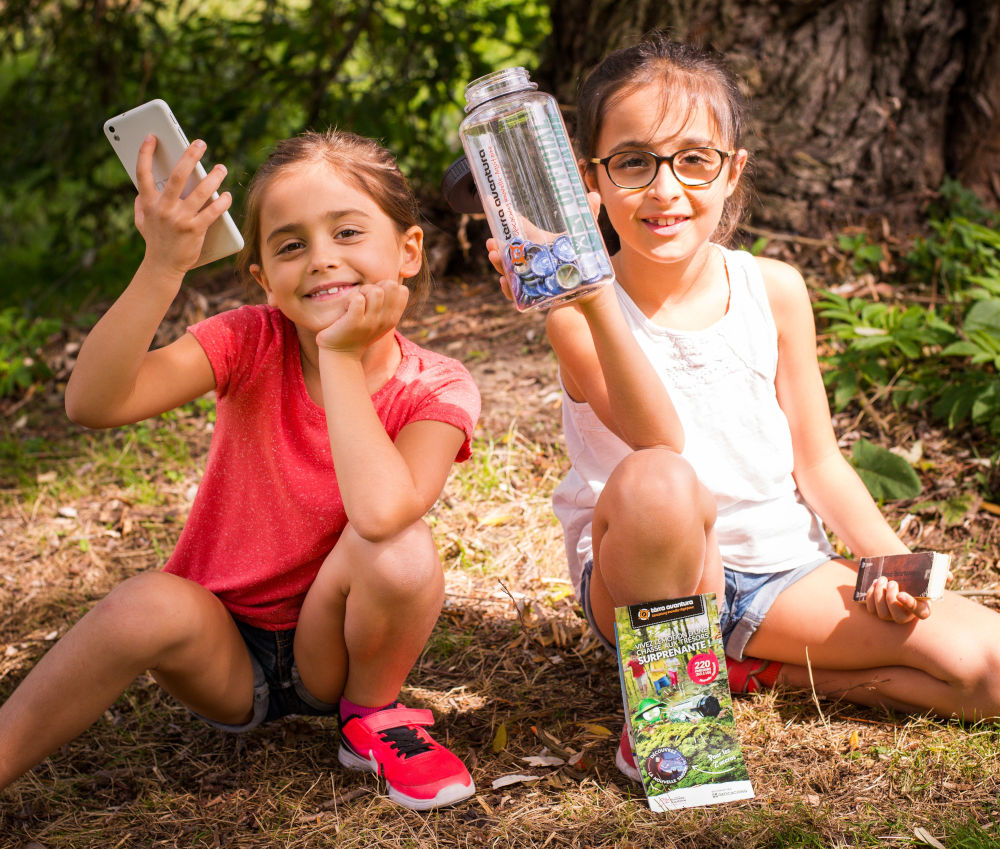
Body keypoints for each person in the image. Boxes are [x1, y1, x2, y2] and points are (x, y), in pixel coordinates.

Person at [487, 32, 1000, 784]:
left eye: (694, 160)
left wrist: (889, 562)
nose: (665, 189)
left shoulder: (775, 289)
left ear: (733, 174)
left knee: (986, 670)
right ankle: (672, 722)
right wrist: (592, 291)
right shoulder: (578, 312)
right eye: (634, 162)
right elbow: (659, 437)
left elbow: (818, 460)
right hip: (648, 572)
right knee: (661, 477)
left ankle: (750, 671)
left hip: (780, 576)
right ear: (589, 181)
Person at [0, 129, 480, 811]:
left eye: (347, 232)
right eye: (290, 245)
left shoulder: (437, 387)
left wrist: (340, 358)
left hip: (335, 645)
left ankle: (372, 718)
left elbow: (382, 515)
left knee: (402, 549)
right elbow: (93, 402)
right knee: (140, 602)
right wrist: (163, 265)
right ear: (262, 279)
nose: (321, 260)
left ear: (407, 251)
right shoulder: (249, 340)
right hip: (223, 648)